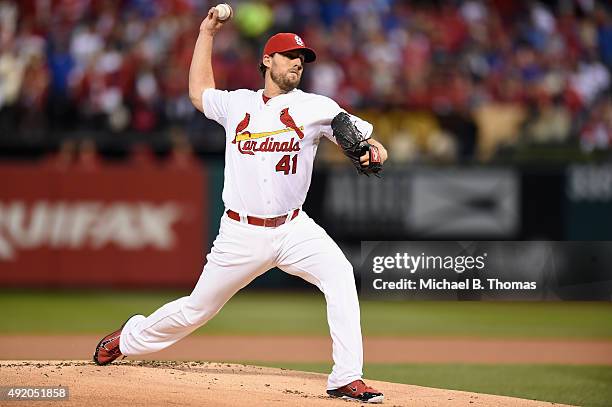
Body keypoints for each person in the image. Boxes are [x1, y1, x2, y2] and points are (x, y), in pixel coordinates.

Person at [93, 7, 387, 404]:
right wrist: (206, 34)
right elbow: (198, 93)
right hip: (240, 232)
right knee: (197, 310)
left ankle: (346, 378)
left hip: (293, 228)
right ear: (268, 60)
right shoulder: (238, 105)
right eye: (290, 56)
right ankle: (129, 338)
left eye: (303, 59)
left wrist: (373, 150)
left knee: (339, 277)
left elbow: (364, 137)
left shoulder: (316, 107)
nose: (298, 63)